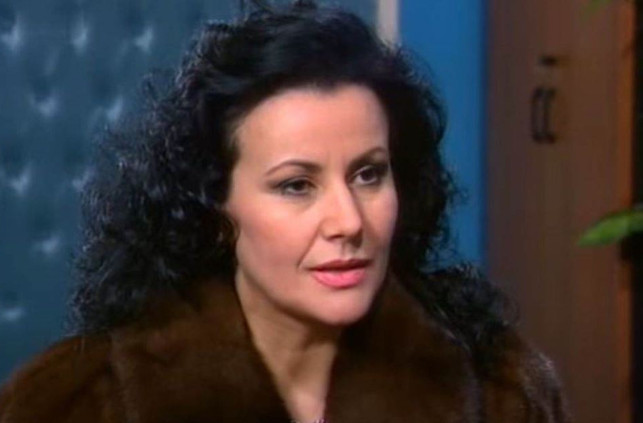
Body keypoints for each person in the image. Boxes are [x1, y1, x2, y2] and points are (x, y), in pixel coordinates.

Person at [0, 1, 570, 422]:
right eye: (297, 186)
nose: (349, 221)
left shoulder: (500, 390)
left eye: (368, 174)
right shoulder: (80, 403)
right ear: (215, 209)